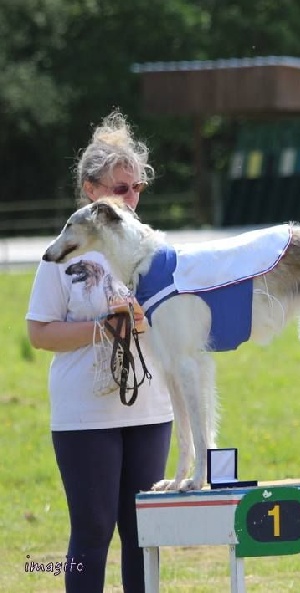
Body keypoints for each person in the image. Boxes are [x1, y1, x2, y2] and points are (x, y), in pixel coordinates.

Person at [26, 111, 174, 593]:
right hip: (84, 414)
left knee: (142, 535)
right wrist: (101, 329)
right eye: (119, 188)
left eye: (135, 189)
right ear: (91, 190)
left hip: (151, 409)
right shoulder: (64, 252)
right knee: (92, 533)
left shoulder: (158, 250)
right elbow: (39, 332)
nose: (130, 198)